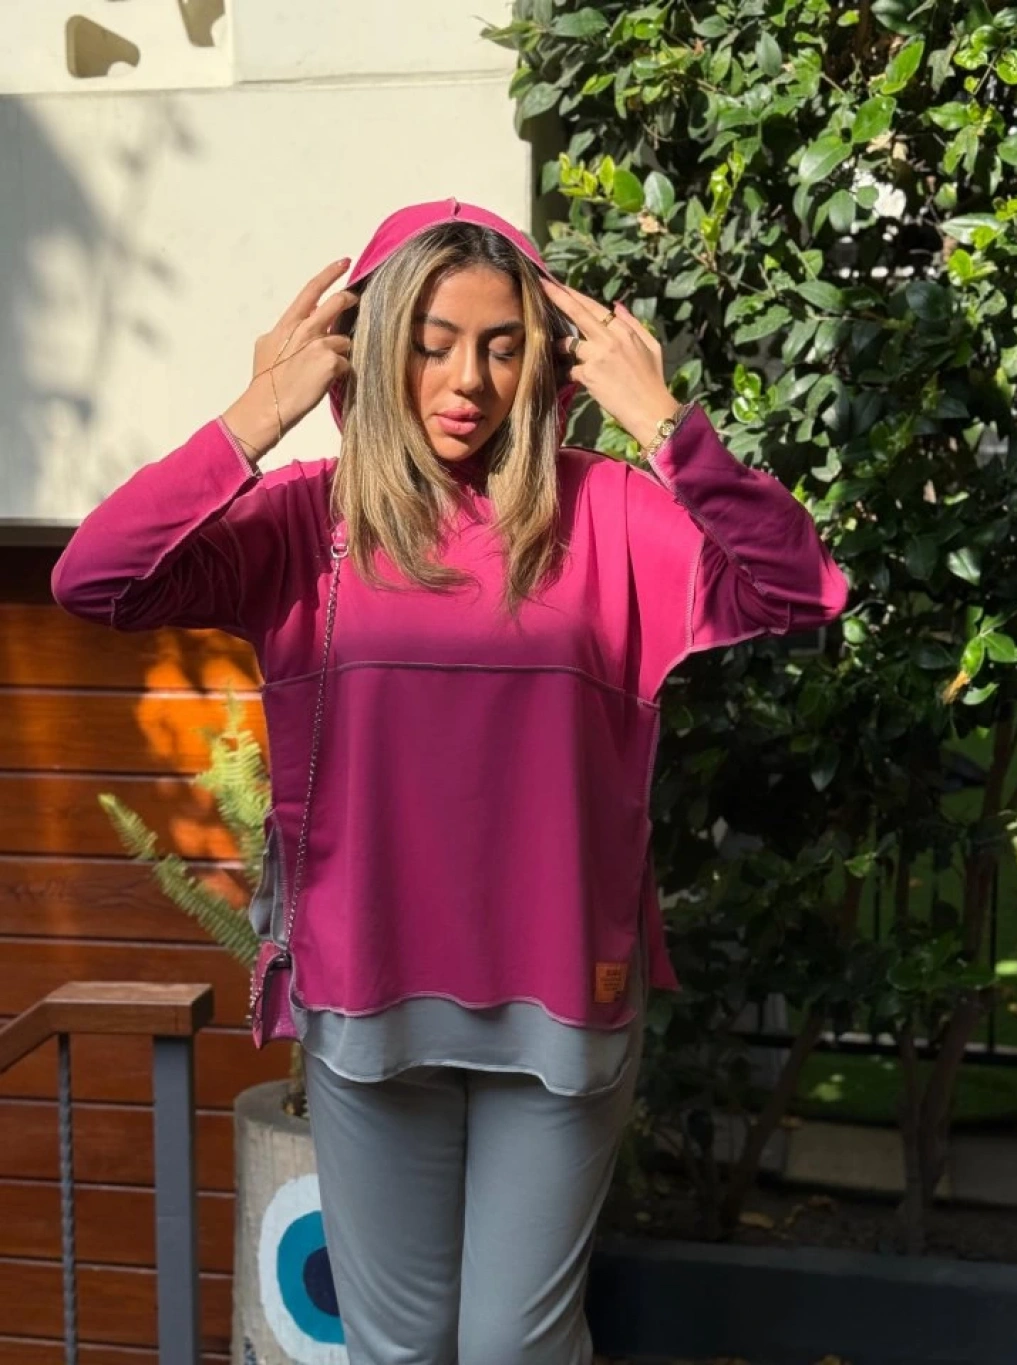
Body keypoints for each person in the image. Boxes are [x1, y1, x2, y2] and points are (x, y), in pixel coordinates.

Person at [52, 198, 848, 1365]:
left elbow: (799, 588)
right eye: (429, 344)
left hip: (561, 992)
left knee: (514, 1348)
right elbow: (96, 579)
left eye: (500, 345)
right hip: (368, 987)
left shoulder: (609, 514)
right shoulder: (306, 523)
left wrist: (662, 422)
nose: (465, 379)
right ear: (374, 349)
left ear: (544, 361)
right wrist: (257, 413)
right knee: (397, 1347)